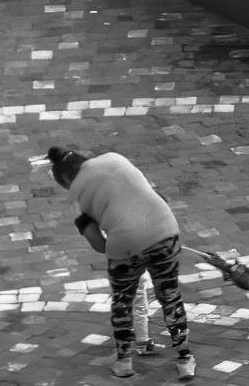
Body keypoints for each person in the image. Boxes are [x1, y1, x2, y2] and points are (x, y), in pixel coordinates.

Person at [48, 134, 190, 364]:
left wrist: (118, 238)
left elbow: (98, 244)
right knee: (170, 295)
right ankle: (185, 355)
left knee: (123, 301)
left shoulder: (75, 197)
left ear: (64, 180)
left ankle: (124, 362)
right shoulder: (116, 159)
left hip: (125, 243)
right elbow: (156, 196)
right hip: (166, 228)